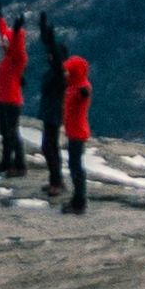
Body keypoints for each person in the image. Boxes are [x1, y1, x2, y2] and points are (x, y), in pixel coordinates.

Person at [0, 3, 31, 180]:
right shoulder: (8, 57)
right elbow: (3, 32)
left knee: (12, 132)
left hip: (12, 100)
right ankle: (6, 161)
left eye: (6, 43)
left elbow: (17, 46)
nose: (3, 44)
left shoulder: (17, 59)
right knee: (5, 131)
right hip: (3, 98)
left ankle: (20, 165)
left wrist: (17, 31)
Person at [56, 37, 92, 215]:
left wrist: (84, 93)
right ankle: (78, 199)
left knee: (76, 166)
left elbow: (83, 94)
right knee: (74, 165)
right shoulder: (73, 85)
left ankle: (80, 201)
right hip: (73, 131)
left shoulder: (81, 88)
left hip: (77, 132)